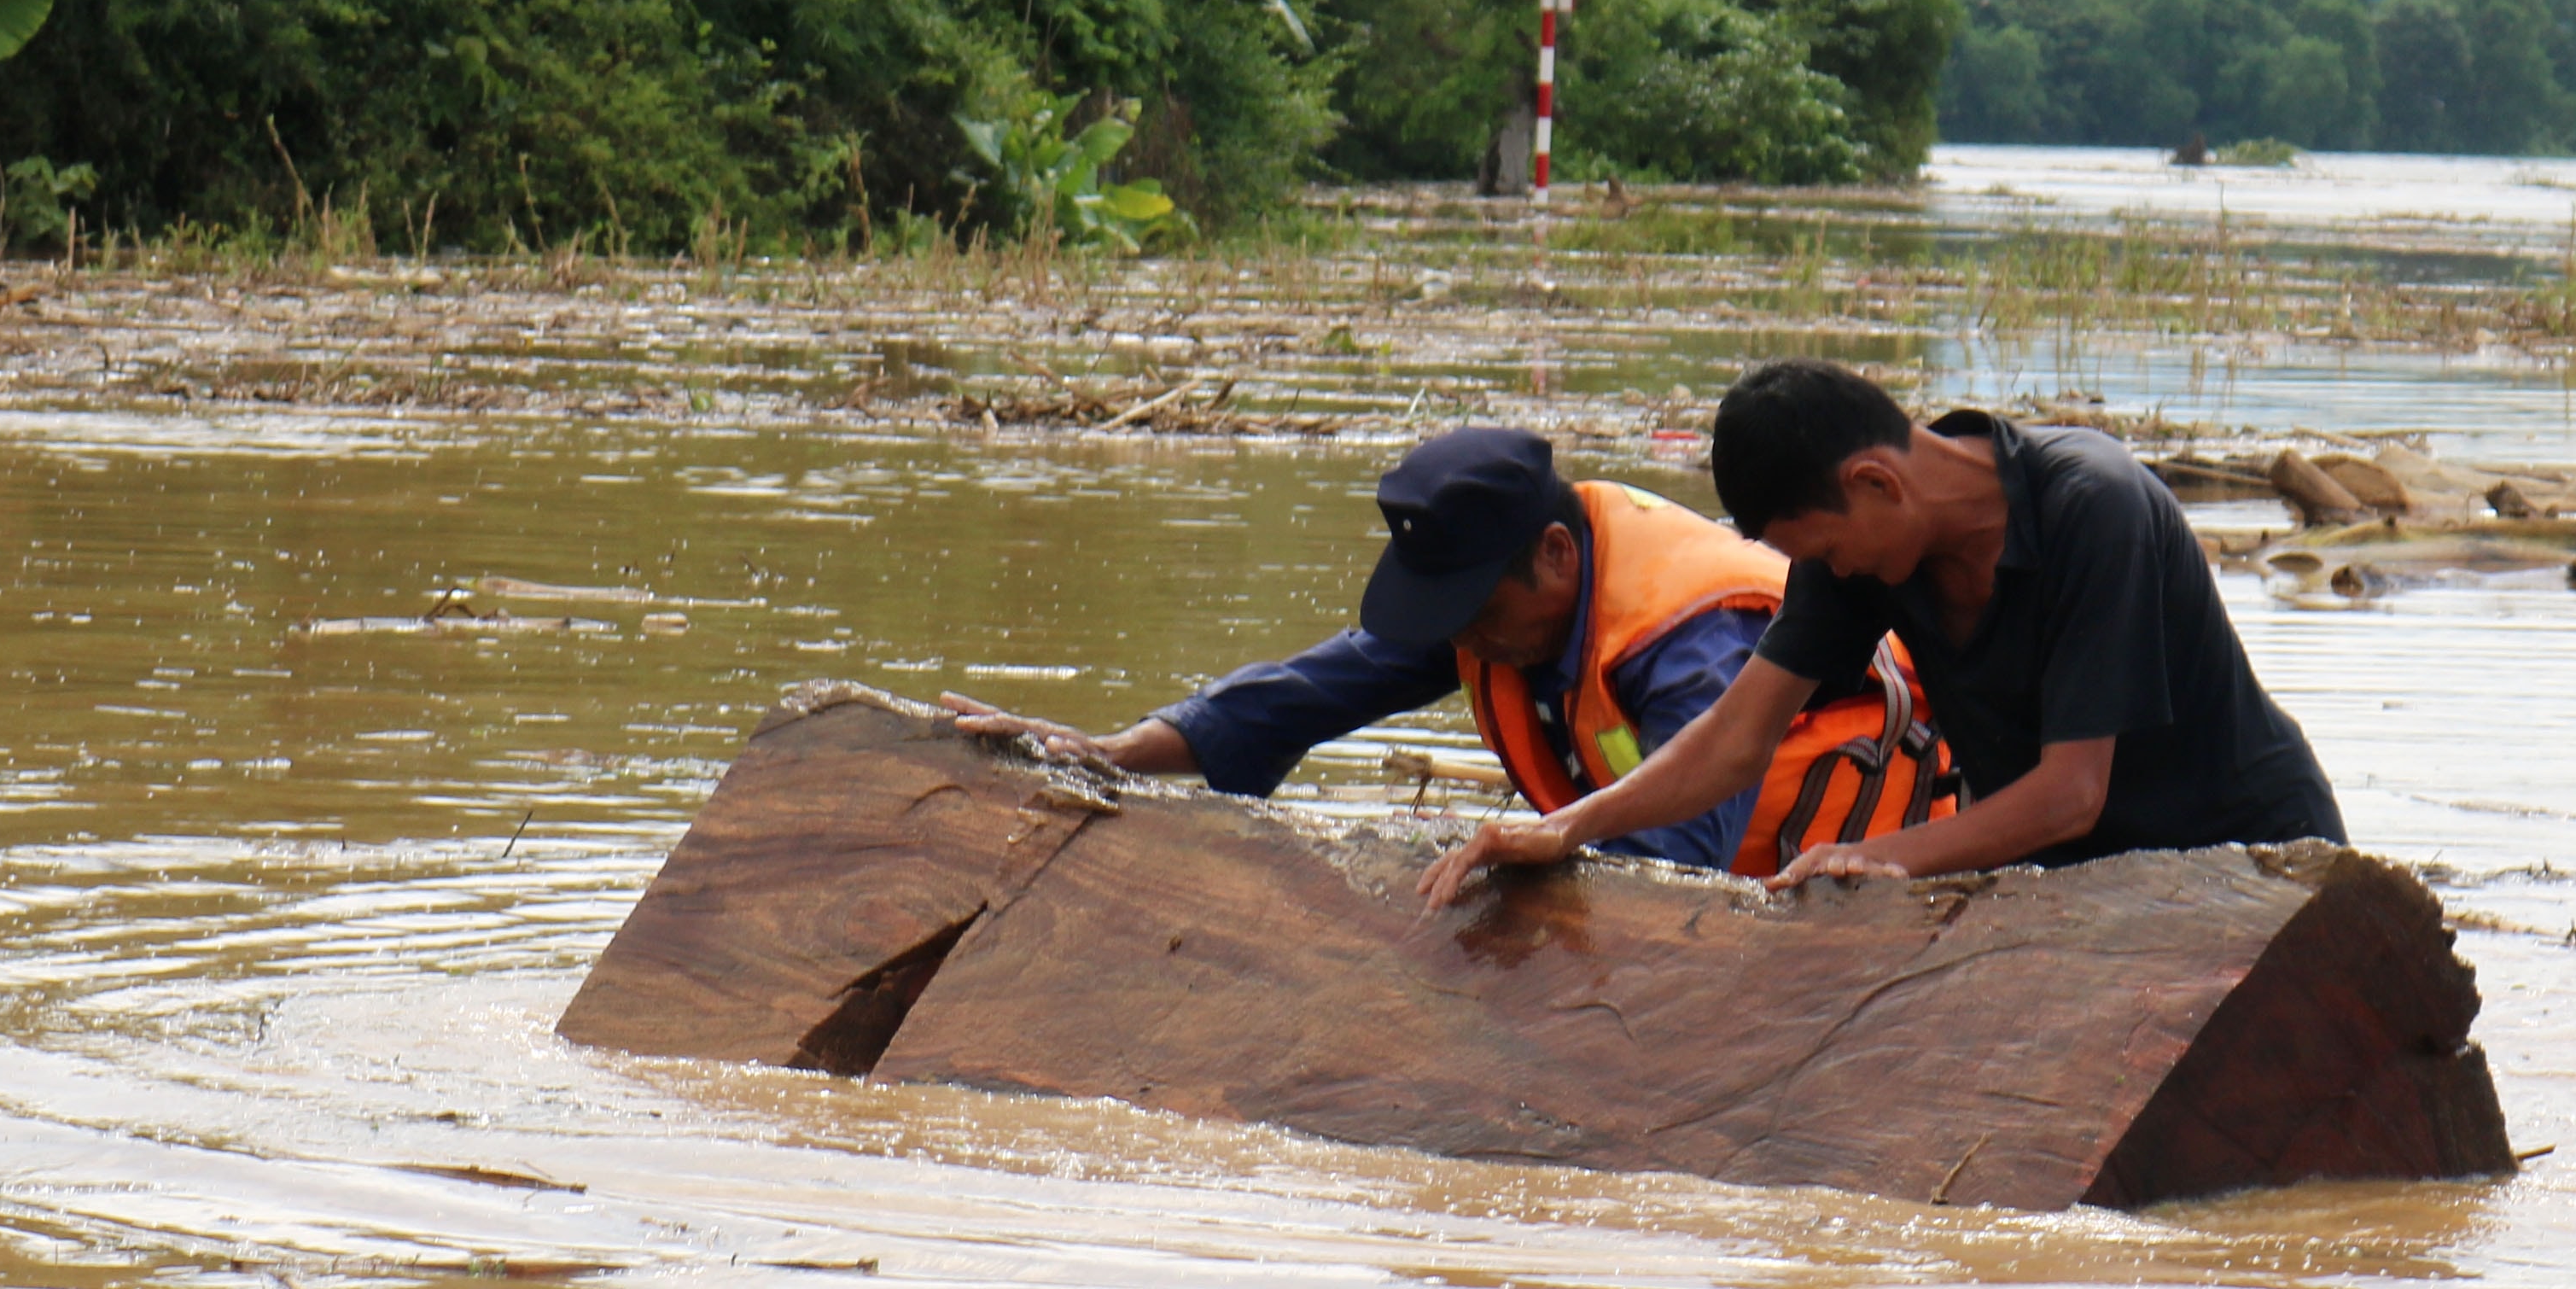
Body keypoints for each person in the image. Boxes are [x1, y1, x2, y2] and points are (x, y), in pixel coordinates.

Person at [1421, 361, 2342, 906]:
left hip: (2251, 861)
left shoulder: (2094, 509)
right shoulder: (1861, 557)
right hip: (2089, 887)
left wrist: (1871, 857)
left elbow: (2071, 794)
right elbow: (1739, 736)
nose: (1835, 574)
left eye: (1828, 552)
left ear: (1877, 483)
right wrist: (1570, 828)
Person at [947, 424, 1953, 877]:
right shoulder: (1507, 617)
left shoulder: (1691, 636)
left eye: (1472, 614)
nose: (1461, 642)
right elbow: (1304, 692)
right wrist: (1110, 754)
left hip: (1852, 872)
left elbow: (1680, 864)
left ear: (1557, 557)